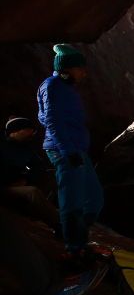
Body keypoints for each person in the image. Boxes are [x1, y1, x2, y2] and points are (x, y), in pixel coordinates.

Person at [37, 44, 103, 257]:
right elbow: (51, 120)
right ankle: (74, 248)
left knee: (94, 199)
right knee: (72, 200)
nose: (84, 72)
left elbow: (44, 116)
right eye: (80, 68)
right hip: (63, 150)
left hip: (76, 148)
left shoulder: (66, 88)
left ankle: (76, 238)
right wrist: (67, 150)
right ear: (68, 68)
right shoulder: (52, 86)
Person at [0, 116, 60, 228]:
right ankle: (59, 225)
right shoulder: (2, 145)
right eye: (28, 131)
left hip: (14, 185)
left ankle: (36, 212)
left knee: (53, 176)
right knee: (32, 192)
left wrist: (26, 179)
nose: (31, 134)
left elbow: (39, 167)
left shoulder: (26, 149)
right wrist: (10, 180)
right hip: (4, 185)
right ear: (17, 130)